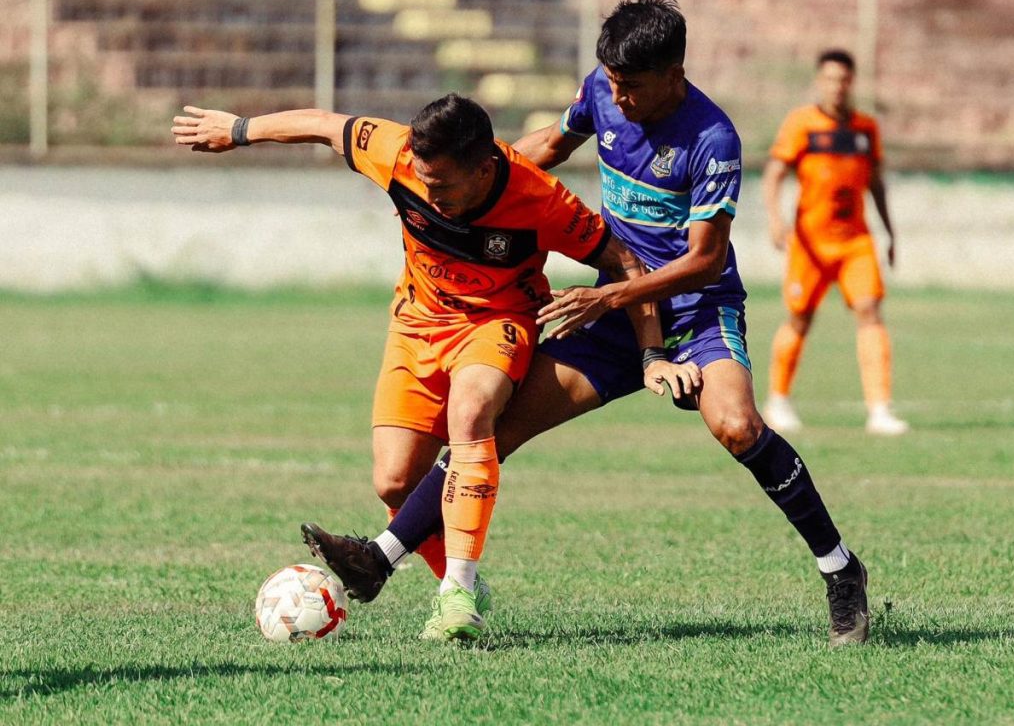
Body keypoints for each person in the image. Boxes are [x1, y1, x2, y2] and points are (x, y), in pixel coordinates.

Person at [303, 0, 871, 647]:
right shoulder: (602, 92)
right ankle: (378, 560)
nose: (618, 96)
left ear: (673, 74)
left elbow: (706, 260)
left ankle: (839, 568)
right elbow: (548, 144)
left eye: (631, 86)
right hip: (616, 308)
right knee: (488, 433)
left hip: (693, 308)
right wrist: (484, 189)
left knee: (737, 425)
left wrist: (612, 301)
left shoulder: (712, 139)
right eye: (612, 82)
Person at [172, 93, 683, 642]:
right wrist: (240, 128)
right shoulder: (396, 153)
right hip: (417, 324)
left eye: (442, 185)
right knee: (394, 481)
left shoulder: (540, 199)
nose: (429, 194)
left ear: (485, 167)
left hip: (498, 323)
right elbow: (324, 124)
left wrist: (651, 353)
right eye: (423, 181)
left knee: (472, 412)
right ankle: (457, 581)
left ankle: (457, 593)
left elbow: (624, 260)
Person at [762, 49, 908, 436]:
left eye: (843, 79)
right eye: (829, 79)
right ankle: (777, 400)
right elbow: (774, 173)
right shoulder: (802, 124)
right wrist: (775, 220)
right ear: (818, 81)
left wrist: (890, 232)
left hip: (855, 241)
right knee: (800, 318)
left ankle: (879, 410)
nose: (837, 87)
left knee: (870, 312)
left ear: (852, 82)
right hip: (810, 242)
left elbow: (876, 183)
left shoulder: (865, 129)